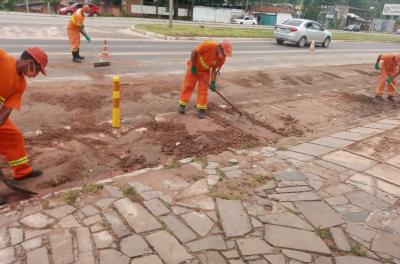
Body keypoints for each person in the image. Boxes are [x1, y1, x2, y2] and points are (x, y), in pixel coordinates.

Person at [0, 47, 47, 190]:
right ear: (30, 62)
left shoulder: (21, 84)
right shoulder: (4, 59)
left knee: (14, 136)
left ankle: (22, 171)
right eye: (38, 70)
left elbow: (6, 111)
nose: (36, 74)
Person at [178, 40, 232, 119]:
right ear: (220, 48)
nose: (224, 56)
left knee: (203, 90)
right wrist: (193, 66)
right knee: (188, 85)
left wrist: (213, 82)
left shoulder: (222, 59)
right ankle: (182, 105)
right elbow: (194, 52)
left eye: (225, 54)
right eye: (224, 53)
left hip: (205, 72)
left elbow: (214, 70)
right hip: (194, 67)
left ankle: (201, 109)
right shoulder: (208, 45)